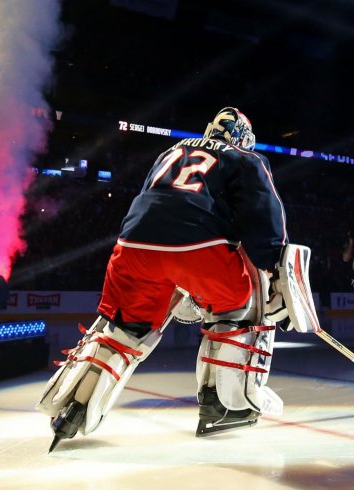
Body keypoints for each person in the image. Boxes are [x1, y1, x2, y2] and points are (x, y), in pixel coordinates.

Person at [36, 107, 302, 450]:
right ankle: (221, 405)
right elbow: (263, 214)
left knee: (124, 329)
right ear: (240, 136)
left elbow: (158, 201)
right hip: (198, 247)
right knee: (244, 304)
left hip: (132, 248)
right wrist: (274, 270)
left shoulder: (170, 151)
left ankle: (73, 409)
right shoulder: (245, 158)